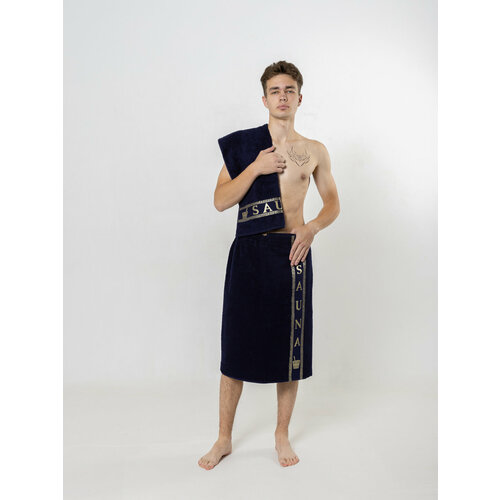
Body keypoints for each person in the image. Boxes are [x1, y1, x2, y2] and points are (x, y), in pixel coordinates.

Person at [199, 61, 340, 469]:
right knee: (235, 347)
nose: (282, 96)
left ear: (299, 98)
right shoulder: (246, 148)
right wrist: (255, 168)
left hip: (292, 253)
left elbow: (333, 203)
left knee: (289, 350)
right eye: (275, 90)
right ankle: (224, 438)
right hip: (248, 254)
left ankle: (281, 433)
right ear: (264, 99)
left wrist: (311, 228)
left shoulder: (314, 151)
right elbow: (220, 200)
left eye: (289, 90)